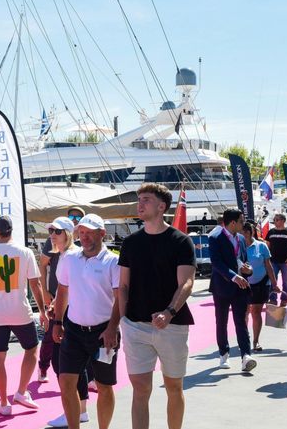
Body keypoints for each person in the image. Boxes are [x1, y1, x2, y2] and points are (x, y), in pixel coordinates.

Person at [118, 183, 196, 429]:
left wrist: (169, 312)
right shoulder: (130, 243)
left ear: (162, 207)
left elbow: (187, 283)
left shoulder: (181, 242)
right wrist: (122, 320)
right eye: (139, 199)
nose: (140, 204)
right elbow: (123, 286)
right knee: (140, 389)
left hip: (171, 326)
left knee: (174, 386)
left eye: (146, 200)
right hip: (135, 326)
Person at [52, 214, 120, 429]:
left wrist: (112, 329)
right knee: (66, 383)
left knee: (104, 386)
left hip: (103, 333)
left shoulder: (113, 261)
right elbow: (62, 291)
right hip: (73, 330)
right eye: (81, 232)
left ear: (102, 233)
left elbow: (120, 298)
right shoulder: (69, 259)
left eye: (90, 232)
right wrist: (57, 322)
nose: (85, 237)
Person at [0, 215, 47, 416]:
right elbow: (36, 284)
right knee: (32, 349)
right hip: (20, 311)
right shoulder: (25, 252)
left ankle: (4, 402)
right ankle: (22, 391)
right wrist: (42, 311)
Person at [208, 209, 256, 372]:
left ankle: (246, 356)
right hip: (221, 286)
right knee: (221, 321)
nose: (244, 225)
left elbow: (243, 260)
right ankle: (224, 353)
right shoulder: (215, 238)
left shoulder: (242, 239)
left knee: (241, 321)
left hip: (240, 287)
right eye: (241, 221)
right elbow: (216, 263)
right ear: (233, 223)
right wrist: (234, 276)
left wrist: (248, 269)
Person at [38, 216, 79, 384]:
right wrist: (53, 302)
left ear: (68, 234)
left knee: (67, 360)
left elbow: (73, 287)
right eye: (51, 230)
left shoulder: (73, 255)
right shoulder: (62, 254)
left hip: (73, 313)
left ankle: (77, 403)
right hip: (62, 309)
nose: (52, 234)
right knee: (59, 357)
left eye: (57, 231)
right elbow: (64, 286)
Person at [242, 221, 278, 352]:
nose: (244, 233)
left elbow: (268, 266)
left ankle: (256, 341)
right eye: (242, 231)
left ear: (252, 232)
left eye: (247, 231)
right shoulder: (237, 247)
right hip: (243, 283)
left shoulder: (261, 246)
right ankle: (244, 337)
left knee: (256, 312)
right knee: (244, 312)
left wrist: (274, 284)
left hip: (261, 283)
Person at [264, 214, 287, 307]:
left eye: (277, 219)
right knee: (273, 280)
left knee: (286, 281)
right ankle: (273, 299)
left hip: (285, 262)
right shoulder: (271, 232)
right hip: (273, 261)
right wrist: (266, 258)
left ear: (283, 220)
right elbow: (267, 246)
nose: (275, 221)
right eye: (274, 219)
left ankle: (284, 299)